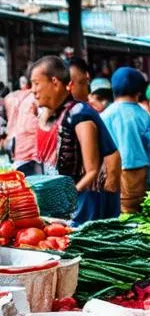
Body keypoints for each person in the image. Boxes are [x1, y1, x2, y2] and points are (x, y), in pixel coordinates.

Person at [31, 55, 120, 224]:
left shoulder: (80, 114)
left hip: (86, 201)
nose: (34, 90)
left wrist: (65, 199)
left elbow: (93, 171)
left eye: (37, 84)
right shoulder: (56, 114)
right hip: (71, 198)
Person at [103, 67, 150, 214]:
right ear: (139, 91)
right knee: (138, 216)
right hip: (140, 176)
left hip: (112, 177)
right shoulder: (144, 116)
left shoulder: (104, 116)